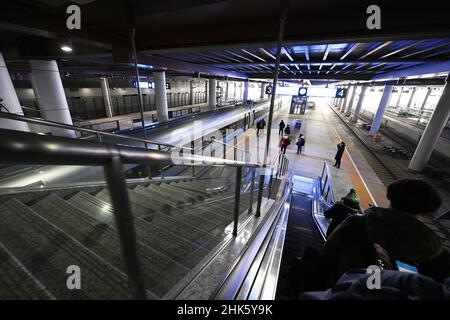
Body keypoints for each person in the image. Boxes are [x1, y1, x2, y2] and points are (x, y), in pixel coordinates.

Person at [321, 178, 450, 287]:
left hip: (343, 292)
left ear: (389, 196)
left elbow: (324, 259)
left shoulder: (355, 224)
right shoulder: (438, 255)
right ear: (427, 213)